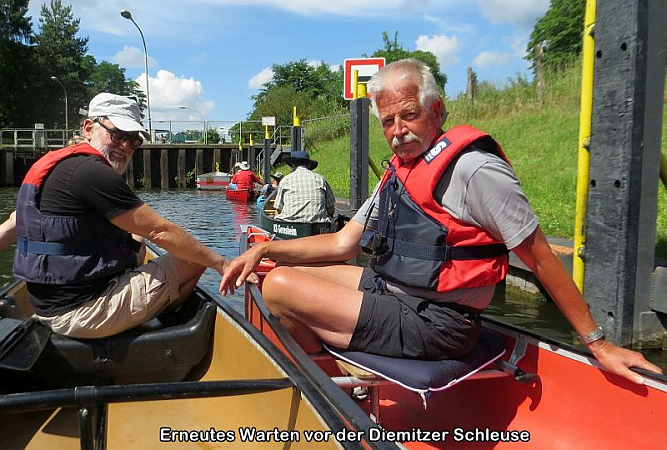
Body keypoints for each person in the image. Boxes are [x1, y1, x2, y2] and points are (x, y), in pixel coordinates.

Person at [221, 58, 661, 385]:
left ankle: (328, 384)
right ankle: (331, 372)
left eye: (409, 114)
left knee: (279, 288)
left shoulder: (475, 170)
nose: (398, 130)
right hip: (397, 294)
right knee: (281, 270)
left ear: (436, 111)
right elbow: (342, 243)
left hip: (441, 323)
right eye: (388, 121)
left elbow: (539, 256)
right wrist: (266, 249)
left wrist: (598, 343)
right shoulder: (400, 170)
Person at [13, 93, 233, 339]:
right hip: (80, 313)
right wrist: (222, 264)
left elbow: (16, 223)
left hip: (47, 304)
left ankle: (143, 308)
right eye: (117, 135)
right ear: (89, 128)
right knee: (195, 259)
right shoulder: (92, 173)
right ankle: (163, 328)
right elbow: (159, 230)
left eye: (133, 140)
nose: (126, 146)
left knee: (136, 238)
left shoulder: (62, 165)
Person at [273, 150, 335, 223]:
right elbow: (331, 210)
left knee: (276, 216)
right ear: (309, 165)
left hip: (289, 225)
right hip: (318, 225)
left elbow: (279, 208)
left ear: (293, 164)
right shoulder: (321, 179)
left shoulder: (285, 180)